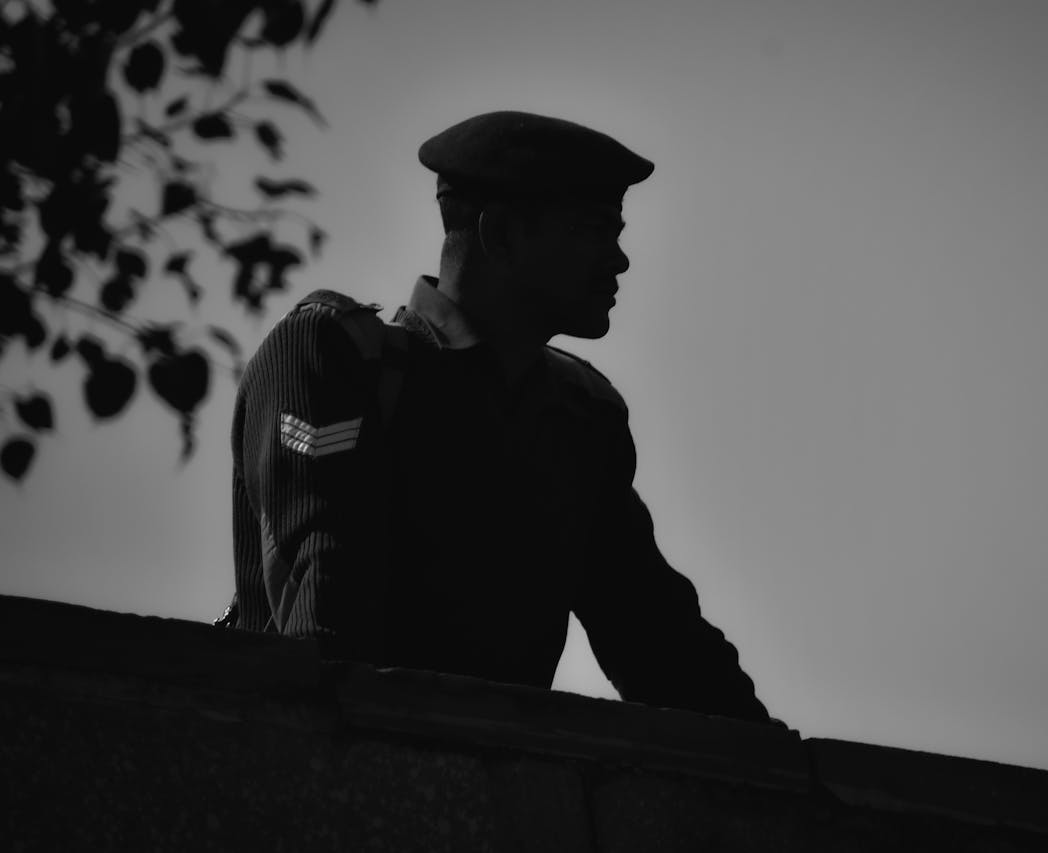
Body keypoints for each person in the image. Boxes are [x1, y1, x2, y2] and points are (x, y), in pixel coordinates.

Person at [227, 111, 772, 723]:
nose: (619, 261)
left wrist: (783, 781)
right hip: (331, 769)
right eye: (594, 231)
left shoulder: (581, 415)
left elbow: (653, 632)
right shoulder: (329, 359)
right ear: (502, 234)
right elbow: (325, 590)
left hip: (498, 795)